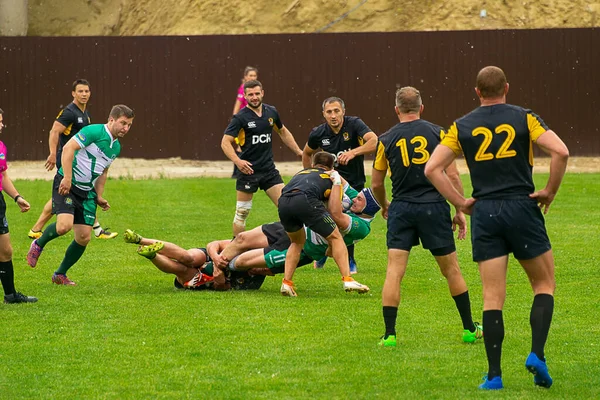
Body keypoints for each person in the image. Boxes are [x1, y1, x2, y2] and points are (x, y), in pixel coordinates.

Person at [424, 66, 569, 390]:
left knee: (492, 296)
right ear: (507, 87)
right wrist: (549, 191)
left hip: (486, 213)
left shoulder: (460, 126)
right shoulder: (524, 117)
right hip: (522, 206)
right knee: (544, 284)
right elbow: (560, 151)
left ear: (477, 92)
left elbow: (432, 168)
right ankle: (536, 354)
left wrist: (461, 203)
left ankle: (494, 376)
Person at [371, 86, 482, 349]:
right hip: (433, 207)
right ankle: (469, 328)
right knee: (451, 270)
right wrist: (458, 209)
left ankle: (389, 335)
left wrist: (386, 203)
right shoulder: (439, 133)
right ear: (422, 108)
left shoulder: (385, 139)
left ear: (396, 109)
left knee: (394, 272)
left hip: (402, 209)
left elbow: (376, 183)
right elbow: (453, 176)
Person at [26, 105, 135, 286]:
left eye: (129, 125)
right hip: (67, 184)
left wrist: (99, 195)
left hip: (87, 192)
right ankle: (38, 244)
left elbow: (103, 172)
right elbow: (68, 148)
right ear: (111, 120)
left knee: (84, 237)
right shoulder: (94, 131)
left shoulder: (116, 147)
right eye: (123, 123)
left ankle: (59, 274)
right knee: (63, 227)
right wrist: (67, 178)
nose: (126, 128)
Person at [28, 79, 117, 240]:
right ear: (73, 93)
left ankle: (36, 228)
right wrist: (53, 154)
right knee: (75, 192)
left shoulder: (84, 113)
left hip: (79, 160)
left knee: (66, 194)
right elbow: (54, 131)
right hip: (68, 159)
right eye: (80, 91)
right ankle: (97, 229)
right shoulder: (69, 112)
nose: (84, 94)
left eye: (86, 91)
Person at [302, 97, 378, 273]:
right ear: (324, 114)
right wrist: (309, 175)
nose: (333, 115)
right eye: (329, 112)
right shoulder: (318, 133)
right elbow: (306, 153)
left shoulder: (354, 124)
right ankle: (322, 252)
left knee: (347, 221)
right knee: (325, 216)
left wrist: (353, 152)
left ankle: (349, 258)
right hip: (328, 184)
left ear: (343, 111)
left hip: (353, 183)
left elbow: (374, 141)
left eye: (336, 111)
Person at [278, 151, 369, 296]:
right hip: (305, 200)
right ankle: (348, 279)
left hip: (283, 202)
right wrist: (337, 182)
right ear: (331, 167)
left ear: (313, 164)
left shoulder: (302, 172)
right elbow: (334, 208)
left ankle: (286, 283)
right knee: (336, 237)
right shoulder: (330, 177)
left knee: (296, 243)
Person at [222, 79, 303, 236]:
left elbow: (283, 131)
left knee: (287, 206)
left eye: (257, 93)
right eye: (250, 94)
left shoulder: (271, 112)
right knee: (242, 213)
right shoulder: (240, 118)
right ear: (245, 96)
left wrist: (298, 151)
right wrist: (238, 162)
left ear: (262, 93)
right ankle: (235, 249)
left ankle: (294, 243)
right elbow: (225, 142)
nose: (254, 97)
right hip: (248, 171)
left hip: (268, 170)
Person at [0, 108, 37, 304]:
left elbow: (3, 175)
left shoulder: (1, 147)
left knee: (5, 251)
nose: (1, 124)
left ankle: (10, 295)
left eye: (1, 121)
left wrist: (17, 197)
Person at [230, 66, 259, 178]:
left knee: (243, 145)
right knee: (241, 145)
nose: (252, 77)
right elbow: (238, 103)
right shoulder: (243, 88)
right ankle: (236, 172)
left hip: (251, 119)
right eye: (250, 75)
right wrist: (234, 118)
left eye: (254, 75)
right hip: (244, 120)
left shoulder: (255, 88)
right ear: (245, 77)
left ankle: (238, 171)